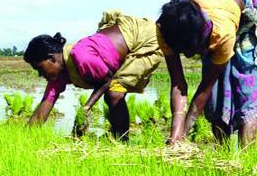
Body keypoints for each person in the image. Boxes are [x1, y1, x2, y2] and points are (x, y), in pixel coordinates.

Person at [156, 0, 257, 147]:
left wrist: (184, 132)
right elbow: (178, 84)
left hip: (248, 8)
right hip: (213, 6)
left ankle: (246, 160)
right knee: (216, 102)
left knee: (247, 95)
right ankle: (223, 153)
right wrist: (176, 136)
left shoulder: (221, 33)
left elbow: (205, 87)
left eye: (191, 50)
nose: (189, 57)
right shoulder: (166, 28)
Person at [24, 10, 163, 140]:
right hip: (120, 51)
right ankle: (117, 136)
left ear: (51, 59)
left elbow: (108, 80)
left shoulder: (81, 56)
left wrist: (85, 108)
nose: (40, 75)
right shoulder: (58, 76)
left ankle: (122, 141)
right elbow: (43, 108)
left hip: (143, 39)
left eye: (39, 68)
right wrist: (24, 138)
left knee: (114, 93)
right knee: (112, 96)